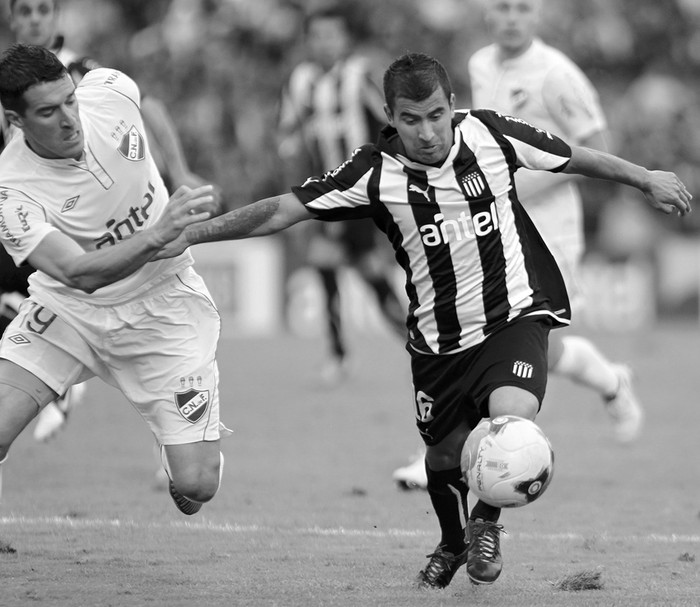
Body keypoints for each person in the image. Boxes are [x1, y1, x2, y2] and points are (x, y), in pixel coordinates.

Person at [155, 53, 691, 587]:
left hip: (514, 317)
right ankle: (452, 543)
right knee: (443, 456)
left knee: (510, 427)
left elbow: (574, 156)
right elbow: (283, 210)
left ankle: (484, 527)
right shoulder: (372, 171)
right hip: (438, 342)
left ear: (452, 106)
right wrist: (194, 234)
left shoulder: (490, 135)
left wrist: (644, 178)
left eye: (436, 114)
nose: (427, 131)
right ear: (390, 115)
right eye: (411, 119)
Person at [392, 0, 645, 494]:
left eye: (522, 8)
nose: (510, 17)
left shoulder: (556, 74)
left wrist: (518, 180)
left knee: (524, 338)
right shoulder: (481, 61)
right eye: (501, 7)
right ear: (487, 14)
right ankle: (458, 445)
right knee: (496, 336)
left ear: (538, 16)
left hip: (548, 228)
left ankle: (468, 448)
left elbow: (599, 142)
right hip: (490, 223)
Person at [0, 43, 228, 515]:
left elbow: (153, 108)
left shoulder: (112, 90)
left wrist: (179, 168)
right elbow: (77, 274)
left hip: (162, 303)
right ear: (16, 121)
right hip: (69, 313)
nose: (69, 118)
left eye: (69, 99)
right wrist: (158, 232)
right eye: (48, 111)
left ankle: (175, 450)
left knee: (197, 487)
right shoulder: (11, 190)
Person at [277, 6, 405, 385]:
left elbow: (390, 124)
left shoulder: (359, 74)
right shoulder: (299, 81)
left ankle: (400, 346)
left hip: (362, 188)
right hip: (323, 189)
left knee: (358, 265)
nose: (325, 43)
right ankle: (350, 352)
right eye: (317, 36)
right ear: (307, 40)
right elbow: (289, 137)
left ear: (345, 39)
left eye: (332, 35)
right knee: (335, 263)